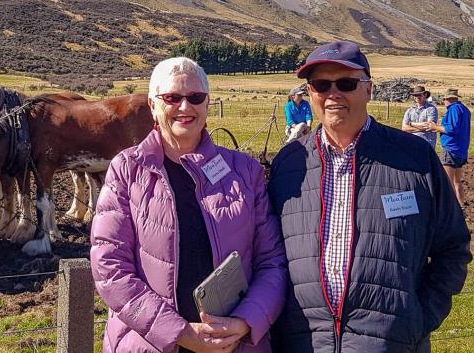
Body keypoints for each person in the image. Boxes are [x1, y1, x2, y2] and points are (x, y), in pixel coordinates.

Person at [268, 41, 471, 353]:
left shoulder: (415, 158)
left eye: (346, 83)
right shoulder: (288, 163)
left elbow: (452, 248)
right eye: (321, 84)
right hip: (303, 344)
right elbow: (267, 256)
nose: (333, 94)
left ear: (369, 90)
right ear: (310, 93)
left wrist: (417, 319)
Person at [91, 57, 287, 352]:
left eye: (196, 97)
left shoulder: (245, 171)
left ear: (208, 104)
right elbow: (110, 268)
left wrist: (246, 323)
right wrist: (179, 333)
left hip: (234, 344)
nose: (185, 107)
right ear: (153, 104)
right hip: (149, 344)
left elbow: (272, 262)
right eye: (172, 97)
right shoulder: (127, 170)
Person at [427, 88, 471, 204]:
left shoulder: (453, 109)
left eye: (444, 99)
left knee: (448, 182)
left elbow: (451, 129)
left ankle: (450, 210)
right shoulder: (465, 109)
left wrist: (435, 127)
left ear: (447, 99)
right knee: (458, 181)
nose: (444, 102)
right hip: (462, 150)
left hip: (451, 149)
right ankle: (461, 206)